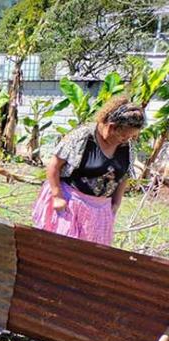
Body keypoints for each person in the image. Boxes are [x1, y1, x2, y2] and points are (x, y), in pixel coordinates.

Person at [32, 97, 145, 245]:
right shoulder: (82, 137)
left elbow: (124, 176)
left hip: (100, 210)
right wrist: (57, 196)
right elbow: (54, 165)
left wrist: (116, 204)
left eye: (131, 136)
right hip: (70, 204)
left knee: (89, 253)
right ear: (111, 126)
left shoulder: (127, 146)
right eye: (124, 135)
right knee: (62, 248)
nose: (126, 139)